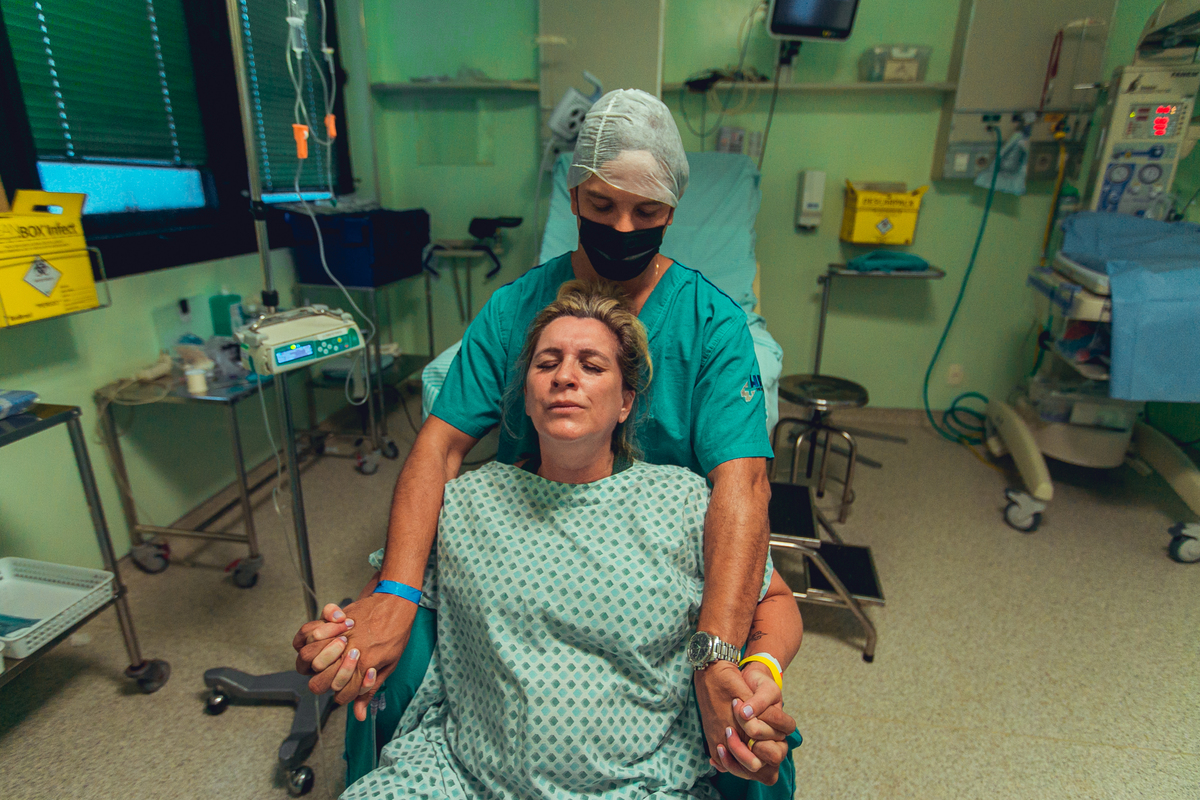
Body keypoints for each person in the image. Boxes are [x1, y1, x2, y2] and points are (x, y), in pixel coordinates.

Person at [294, 88, 785, 783]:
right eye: (602, 205)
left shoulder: (712, 328)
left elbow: (744, 485)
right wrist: (398, 592)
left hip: (663, 552)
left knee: (751, 739)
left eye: (646, 212)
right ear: (576, 194)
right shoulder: (516, 309)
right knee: (402, 679)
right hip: (539, 527)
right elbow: (440, 445)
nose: (622, 226)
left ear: (672, 212)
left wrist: (718, 653)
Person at [338, 282, 802, 799]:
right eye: (547, 363)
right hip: (458, 773)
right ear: (527, 400)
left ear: (626, 402)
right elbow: (390, 595)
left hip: (637, 785)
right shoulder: (466, 503)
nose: (565, 376)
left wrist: (761, 667)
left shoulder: (684, 503)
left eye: (592, 366)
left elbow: (776, 600)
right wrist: (343, 641)